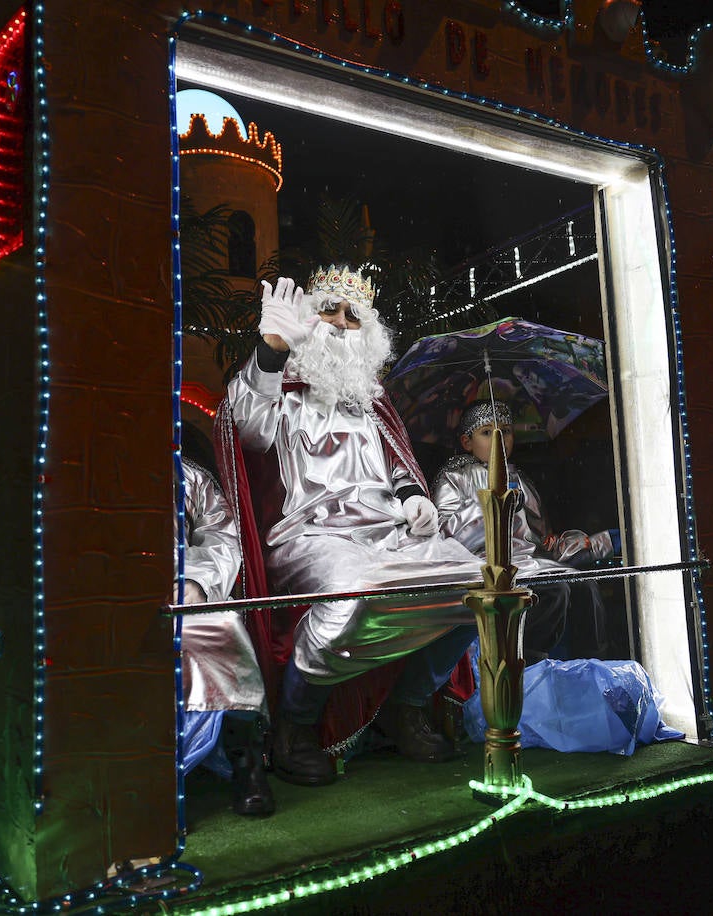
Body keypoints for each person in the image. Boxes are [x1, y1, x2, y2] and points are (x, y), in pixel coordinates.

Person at [214, 265, 487, 787]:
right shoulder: (279, 387)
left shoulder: (371, 400)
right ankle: (295, 726)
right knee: (352, 595)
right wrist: (270, 350)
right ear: (308, 319)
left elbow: (399, 463)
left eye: (353, 315)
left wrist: (413, 498)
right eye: (328, 309)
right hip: (311, 536)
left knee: (482, 585)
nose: (340, 322)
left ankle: (405, 707)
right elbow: (246, 431)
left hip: (389, 533)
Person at [432, 400, 618, 660]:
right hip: (482, 565)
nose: (500, 440)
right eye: (487, 433)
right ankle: (526, 661)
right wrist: (491, 504)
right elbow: (444, 536)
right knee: (555, 590)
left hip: (530, 564)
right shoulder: (455, 477)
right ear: (467, 442)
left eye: (505, 431)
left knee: (583, 584)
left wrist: (592, 543)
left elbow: (542, 542)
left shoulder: (521, 480)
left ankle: (591, 663)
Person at [177, 455, 273, 817]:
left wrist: (197, 582)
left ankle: (245, 760)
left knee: (222, 630)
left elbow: (221, 535)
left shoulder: (189, 476)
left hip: (185, 586)